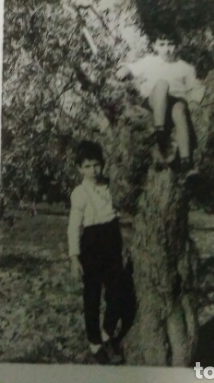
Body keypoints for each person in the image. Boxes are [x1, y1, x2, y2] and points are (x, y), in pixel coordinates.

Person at [68, 141, 131, 364]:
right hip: (92, 244)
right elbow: (74, 226)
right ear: (79, 169)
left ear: (102, 165)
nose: (93, 170)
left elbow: (118, 210)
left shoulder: (109, 187)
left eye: (96, 165)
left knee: (117, 289)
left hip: (111, 239)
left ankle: (107, 332)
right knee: (92, 295)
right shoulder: (79, 193)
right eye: (87, 166)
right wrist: (74, 257)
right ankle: (95, 342)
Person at [119, 39, 205, 174]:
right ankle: (160, 133)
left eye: (170, 44)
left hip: (175, 100)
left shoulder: (185, 67)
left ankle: (186, 162)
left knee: (180, 110)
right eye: (162, 45)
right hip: (155, 100)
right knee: (162, 84)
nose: (166, 49)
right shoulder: (149, 61)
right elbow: (131, 68)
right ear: (155, 47)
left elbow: (195, 87)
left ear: (176, 45)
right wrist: (124, 70)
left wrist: (194, 100)